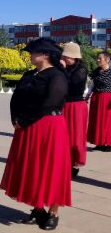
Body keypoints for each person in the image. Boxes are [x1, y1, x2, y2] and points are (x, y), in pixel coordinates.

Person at [0, 38, 70, 231]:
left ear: (45, 54)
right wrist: (15, 117)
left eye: (33, 52)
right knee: (32, 167)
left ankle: (53, 212)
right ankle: (37, 208)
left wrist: (24, 120)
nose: (30, 55)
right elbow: (16, 97)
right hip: (28, 127)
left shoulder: (57, 75)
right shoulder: (30, 74)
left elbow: (50, 102)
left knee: (51, 168)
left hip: (49, 127)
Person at [60, 42, 88, 177]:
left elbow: (72, 85)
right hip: (64, 105)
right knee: (62, 136)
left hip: (76, 106)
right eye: (64, 56)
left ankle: (74, 164)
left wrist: (63, 69)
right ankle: (62, 162)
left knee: (75, 136)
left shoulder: (81, 69)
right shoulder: (64, 68)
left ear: (75, 57)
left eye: (68, 57)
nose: (65, 59)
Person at [87, 51, 111, 152]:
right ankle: (99, 142)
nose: (97, 60)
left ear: (107, 60)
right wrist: (87, 95)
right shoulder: (97, 71)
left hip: (107, 98)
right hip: (96, 97)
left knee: (107, 121)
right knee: (96, 121)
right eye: (97, 58)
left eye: (100, 58)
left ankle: (108, 143)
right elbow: (92, 84)